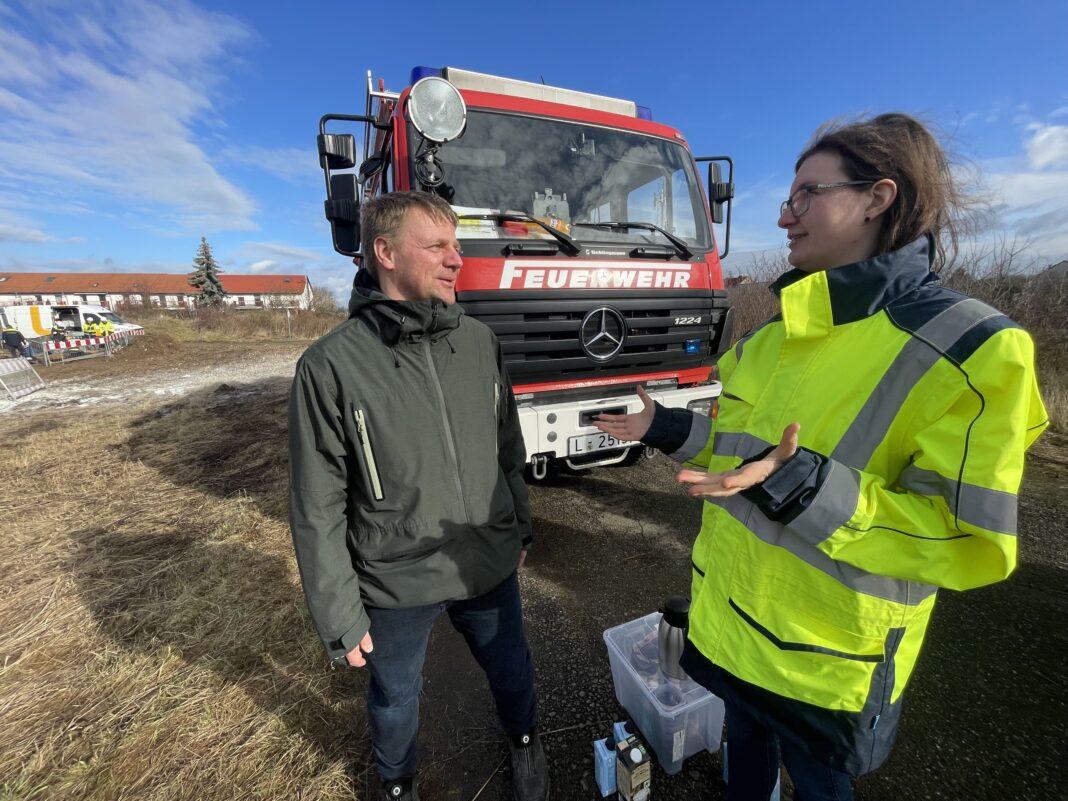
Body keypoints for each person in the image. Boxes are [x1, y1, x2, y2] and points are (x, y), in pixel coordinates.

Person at [594, 113, 1047, 801]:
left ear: (878, 197)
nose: (785, 217)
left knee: (818, 786)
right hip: (731, 632)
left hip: (824, 668)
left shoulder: (972, 348)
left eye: (807, 194)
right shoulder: (771, 338)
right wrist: (661, 424)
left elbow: (966, 538)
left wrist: (803, 485)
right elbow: (738, 453)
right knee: (742, 763)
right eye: (787, 198)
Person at [288, 191, 547, 801]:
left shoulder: (480, 343)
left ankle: (528, 744)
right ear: (384, 252)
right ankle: (396, 783)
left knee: (512, 670)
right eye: (437, 246)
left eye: (456, 246)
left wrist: (522, 530)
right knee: (394, 696)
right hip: (394, 577)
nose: (457, 259)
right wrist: (339, 616)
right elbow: (315, 503)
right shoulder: (330, 366)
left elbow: (508, 449)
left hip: (484, 561)